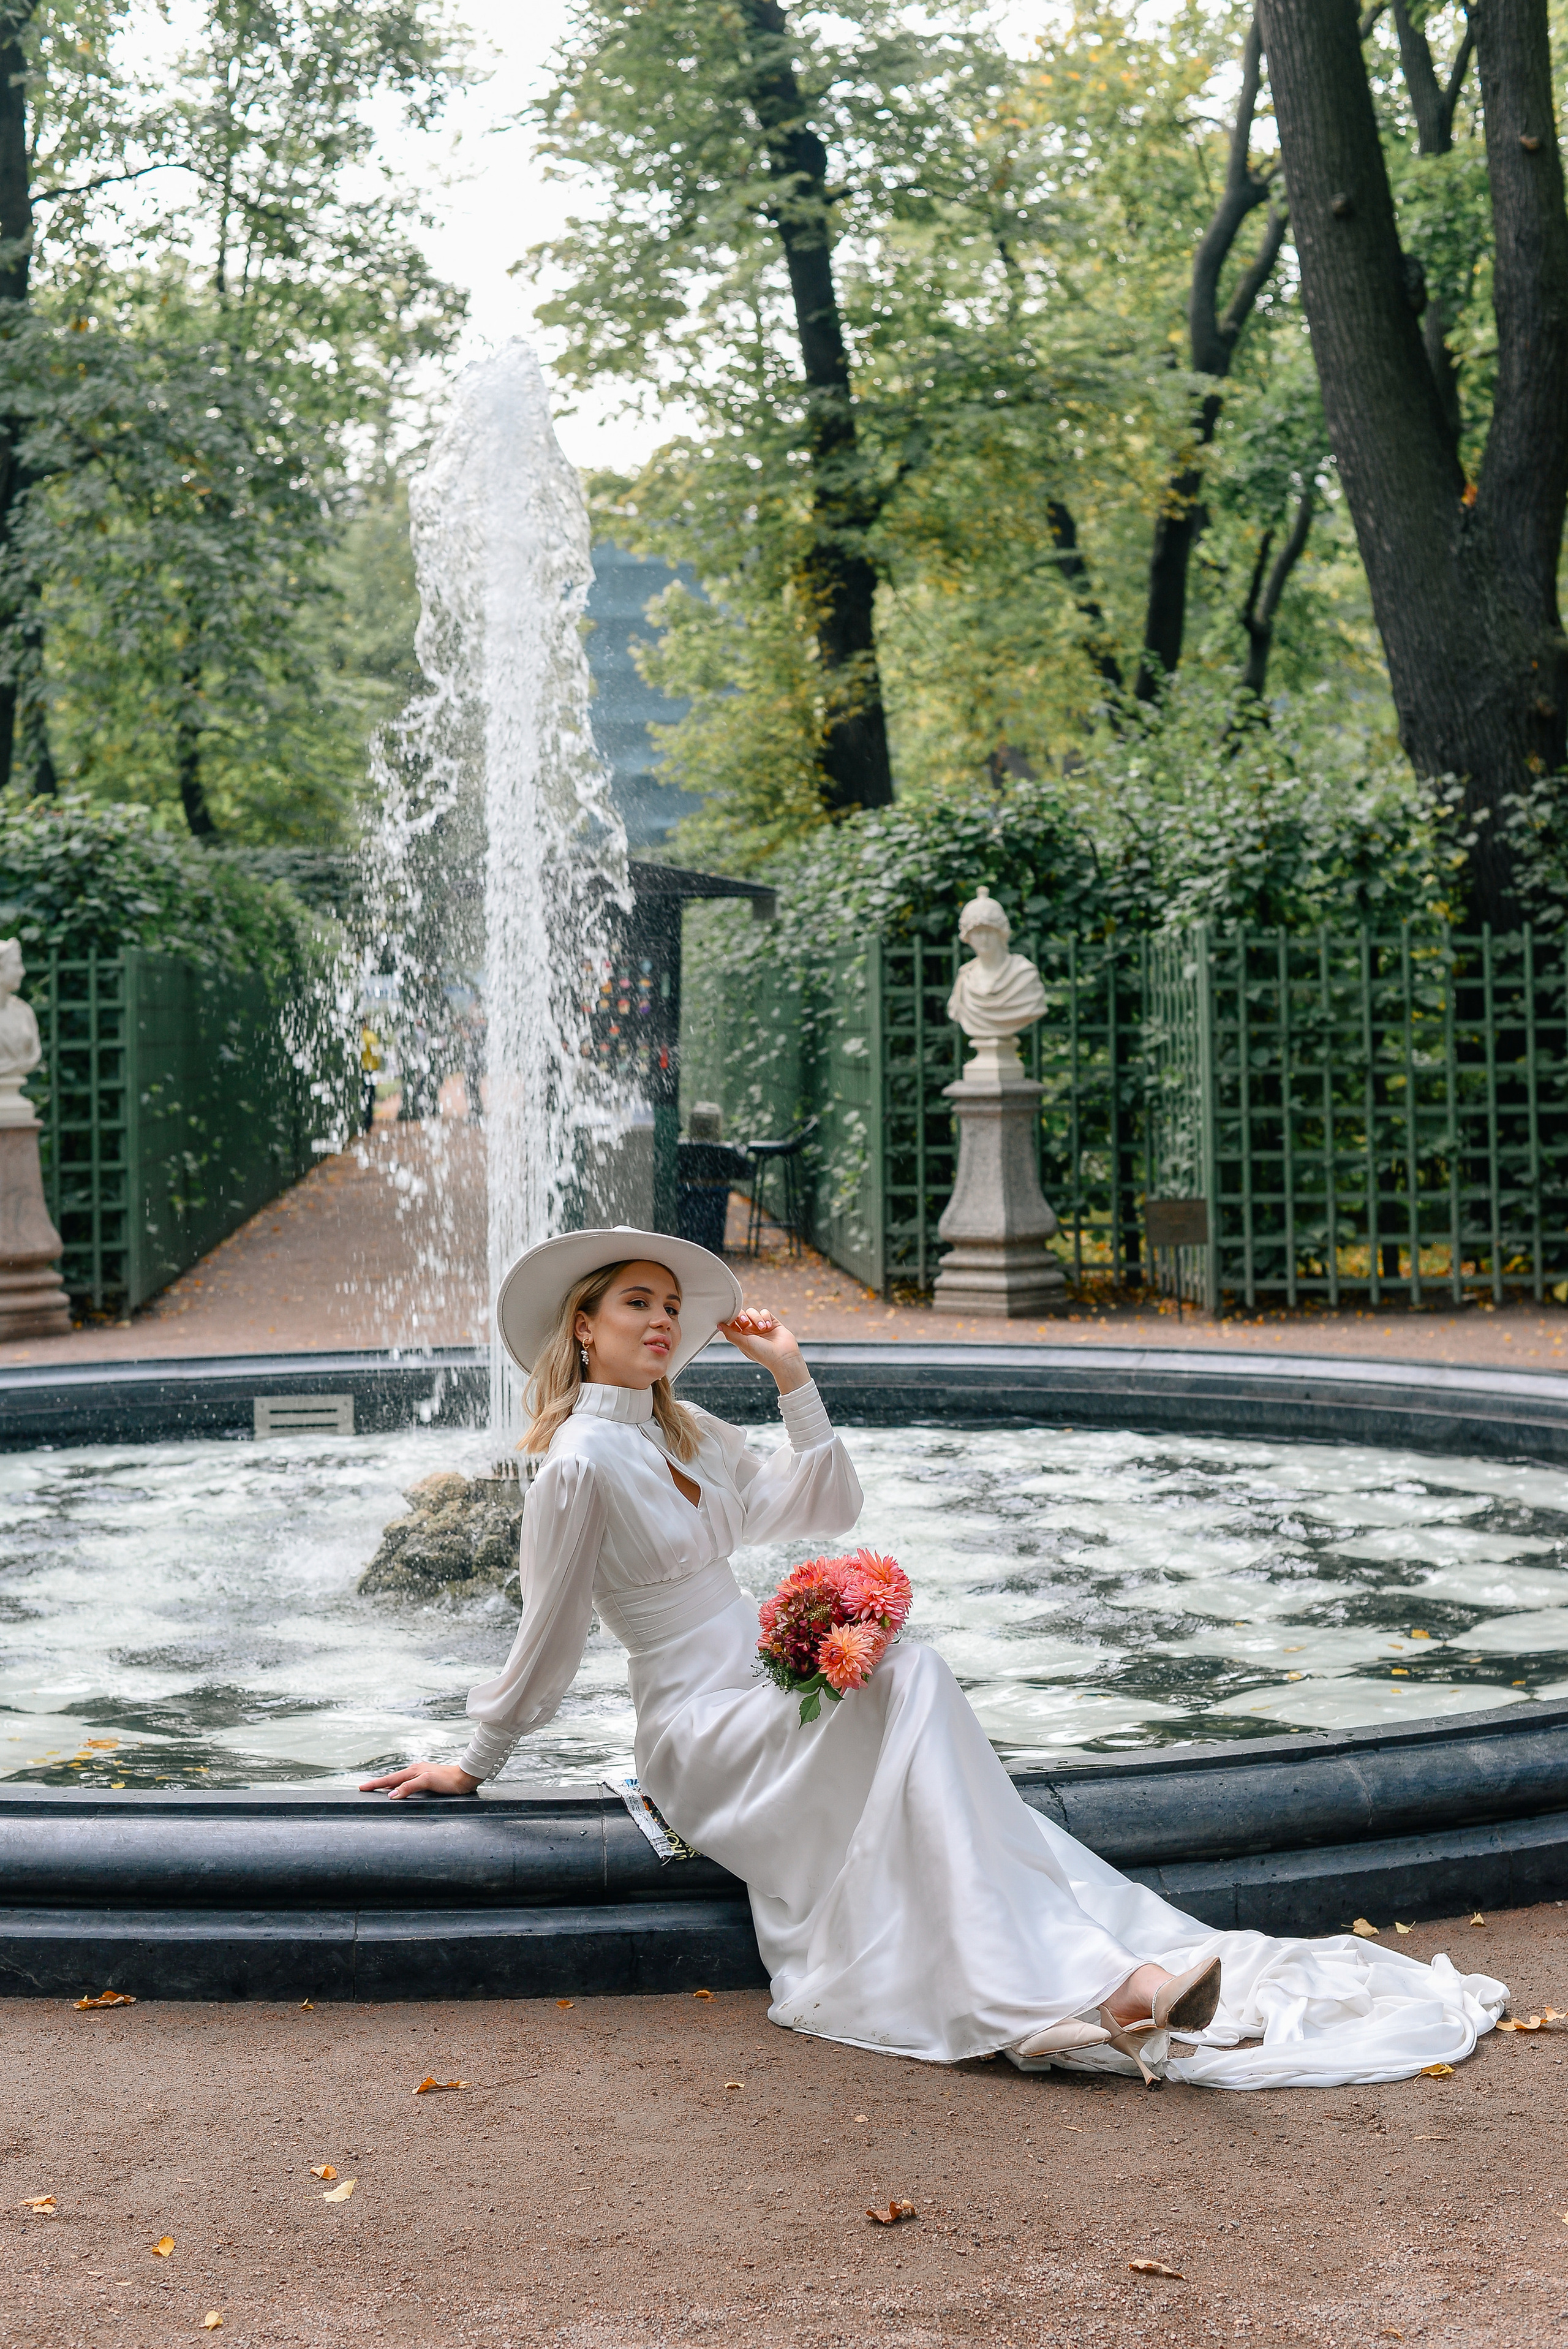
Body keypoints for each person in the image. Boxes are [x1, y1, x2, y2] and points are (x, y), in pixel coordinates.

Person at [363, 1228, 1506, 2087]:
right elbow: (551, 1631)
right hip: (698, 1731)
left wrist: (793, 1376)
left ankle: (1100, 1986)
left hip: (763, 1687)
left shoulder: (686, 1432)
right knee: (908, 1672)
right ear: (584, 1325)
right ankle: (1102, 1987)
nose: (662, 1321)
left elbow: (823, 1504)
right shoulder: (576, 1466)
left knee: (903, 1666)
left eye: (671, 1305)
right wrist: (478, 1758)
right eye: (636, 1303)